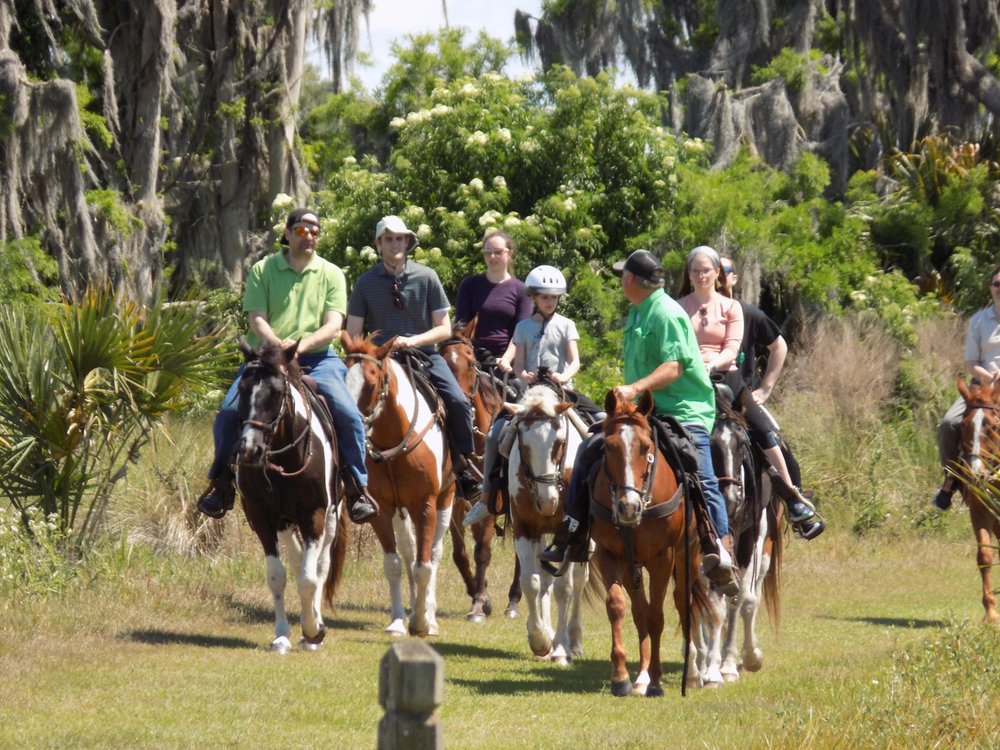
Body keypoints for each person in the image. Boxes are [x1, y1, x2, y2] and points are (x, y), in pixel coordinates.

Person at [538, 250, 738, 595]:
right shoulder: (638, 312)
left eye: (621, 275)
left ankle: (719, 550)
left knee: (699, 470)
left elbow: (674, 367)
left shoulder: (667, 313)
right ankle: (570, 532)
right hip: (643, 410)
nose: (620, 280)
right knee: (590, 447)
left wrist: (634, 388)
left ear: (631, 280)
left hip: (683, 410)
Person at [197, 208, 378, 524]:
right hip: (267, 358)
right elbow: (256, 318)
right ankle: (221, 483)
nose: (308, 236)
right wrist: (279, 347)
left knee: (349, 415)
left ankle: (356, 488)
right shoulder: (262, 269)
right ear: (287, 232)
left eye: (314, 232)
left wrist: (298, 347)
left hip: (317, 359)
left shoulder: (332, 272)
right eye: (301, 230)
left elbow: (334, 324)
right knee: (227, 413)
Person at [678, 245, 820, 539]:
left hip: (728, 383)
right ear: (688, 274)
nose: (701, 275)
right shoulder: (679, 307)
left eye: (706, 270)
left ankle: (793, 499)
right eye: (695, 270)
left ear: (717, 273)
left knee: (765, 432)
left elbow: (732, 348)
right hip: (690, 383)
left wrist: (761, 386)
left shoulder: (734, 309)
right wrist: (693, 365)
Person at [345, 214, 482, 501]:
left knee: (457, 400)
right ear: (378, 244)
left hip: (424, 355)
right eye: (389, 239)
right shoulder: (365, 283)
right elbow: (354, 333)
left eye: (400, 239)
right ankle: (349, 472)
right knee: (347, 405)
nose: (395, 244)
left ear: (408, 242)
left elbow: (444, 328)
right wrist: (367, 355)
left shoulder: (427, 277)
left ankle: (463, 465)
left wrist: (412, 340)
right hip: (378, 361)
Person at [463, 264, 596, 527]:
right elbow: (520, 365)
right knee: (494, 436)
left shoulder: (567, 325)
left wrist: (563, 375)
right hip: (530, 396)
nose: (549, 302)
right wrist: (524, 376)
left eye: (553, 297)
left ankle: (598, 497)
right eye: (544, 297)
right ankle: (487, 497)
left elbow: (575, 362)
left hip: (560, 392)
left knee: (593, 429)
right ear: (533, 298)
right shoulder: (523, 327)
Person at [720, 255, 824, 539]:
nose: (717, 276)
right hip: (704, 396)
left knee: (773, 437)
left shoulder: (749, 313)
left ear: (734, 278)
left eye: (723, 271)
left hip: (742, 396)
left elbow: (779, 346)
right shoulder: (696, 312)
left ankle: (795, 503)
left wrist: (765, 389)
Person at [932, 264, 1000, 510]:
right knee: (949, 423)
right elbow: (971, 361)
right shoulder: (979, 321)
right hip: (981, 389)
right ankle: (951, 480)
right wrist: (987, 376)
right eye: (997, 284)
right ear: (990, 288)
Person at [454, 228, 533, 361]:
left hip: (506, 361)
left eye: (498, 252)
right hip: (473, 358)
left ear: (510, 254)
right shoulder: (469, 285)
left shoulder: (522, 290)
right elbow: (462, 327)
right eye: (487, 253)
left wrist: (506, 359)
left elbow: (521, 333)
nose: (492, 257)